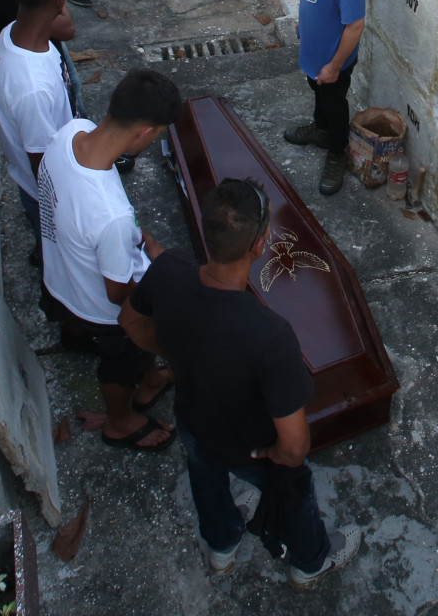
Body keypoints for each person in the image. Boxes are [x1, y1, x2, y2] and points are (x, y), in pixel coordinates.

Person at [121, 178, 364, 588]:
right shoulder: (271, 336)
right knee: (294, 488)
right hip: (252, 444)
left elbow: (129, 321)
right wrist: (276, 454)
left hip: (194, 421)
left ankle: (221, 547)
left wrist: (177, 359)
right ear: (259, 245)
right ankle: (310, 560)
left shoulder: (167, 269)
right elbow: (294, 445)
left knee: (204, 476)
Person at [37, 68, 180, 451]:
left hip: (64, 277)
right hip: (104, 310)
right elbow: (120, 294)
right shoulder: (110, 216)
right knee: (121, 364)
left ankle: (150, 381)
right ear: (145, 133)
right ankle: (121, 421)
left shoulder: (72, 132)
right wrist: (162, 284)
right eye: (159, 134)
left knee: (140, 354)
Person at [280, 0, 365, 195]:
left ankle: (337, 151)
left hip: (333, 61)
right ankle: (321, 130)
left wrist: (333, 66)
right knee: (318, 94)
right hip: (313, 53)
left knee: (334, 103)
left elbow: (355, 26)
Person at [0, 0, 74, 242]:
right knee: (55, 253)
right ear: (60, 1)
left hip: (29, 182)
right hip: (47, 196)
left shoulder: (9, 35)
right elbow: (43, 165)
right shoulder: (32, 88)